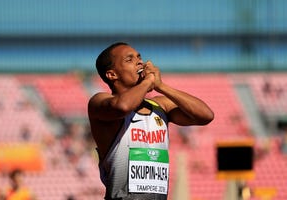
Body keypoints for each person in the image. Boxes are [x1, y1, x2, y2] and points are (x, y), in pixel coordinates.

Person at [87, 42, 214, 200]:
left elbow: (206, 115)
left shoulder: (160, 105)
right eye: (129, 59)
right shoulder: (99, 101)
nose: (139, 62)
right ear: (112, 75)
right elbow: (123, 106)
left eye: (139, 57)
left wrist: (161, 86)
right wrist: (148, 82)